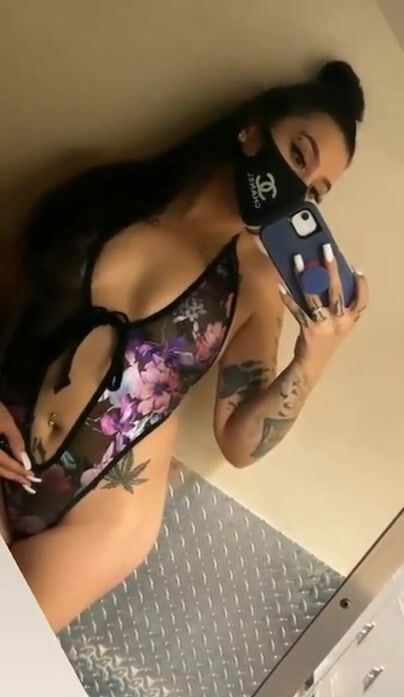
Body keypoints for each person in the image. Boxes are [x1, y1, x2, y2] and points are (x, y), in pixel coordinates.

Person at [0, 60, 368, 631]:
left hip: (101, 518)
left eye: (315, 192)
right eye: (299, 156)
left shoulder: (254, 283)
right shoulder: (109, 192)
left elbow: (239, 442)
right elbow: (9, 285)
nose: (297, 190)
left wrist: (314, 357)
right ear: (251, 129)